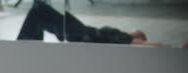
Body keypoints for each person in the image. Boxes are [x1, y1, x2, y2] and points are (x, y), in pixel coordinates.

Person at [17, 1, 166, 47]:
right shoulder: (114, 34)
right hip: (85, 33)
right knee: (39, 11)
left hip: (87, 35)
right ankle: (24, 49)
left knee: (39, 11)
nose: (137, 32)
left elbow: (157, 47)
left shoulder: (122, 39)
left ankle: (23, 50)